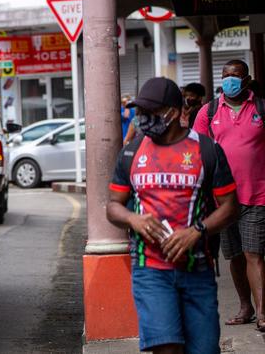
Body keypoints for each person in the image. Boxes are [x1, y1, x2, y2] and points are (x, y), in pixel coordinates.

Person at [107, 77, 239, 354]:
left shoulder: (207, 150)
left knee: (203, 350)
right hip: (150, 271)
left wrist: (197, 230)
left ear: (175, 112)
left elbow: (230, 206)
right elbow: (113, 206)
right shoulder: (131, 153)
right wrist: (134, 219)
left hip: (197, 270)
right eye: (140, 111)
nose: (142, 118)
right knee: (166, 347)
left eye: (151, 112)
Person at [193, 59, 265, 331]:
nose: (229, 80)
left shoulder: (260, 107)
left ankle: (262, 313)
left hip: (257, 194)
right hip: (222, 200)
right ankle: (245, 307)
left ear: (246, 80)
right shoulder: (208, 112)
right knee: (234, 255)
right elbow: (199, 153)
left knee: (254, 253)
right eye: (225, 76)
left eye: (234, 76)